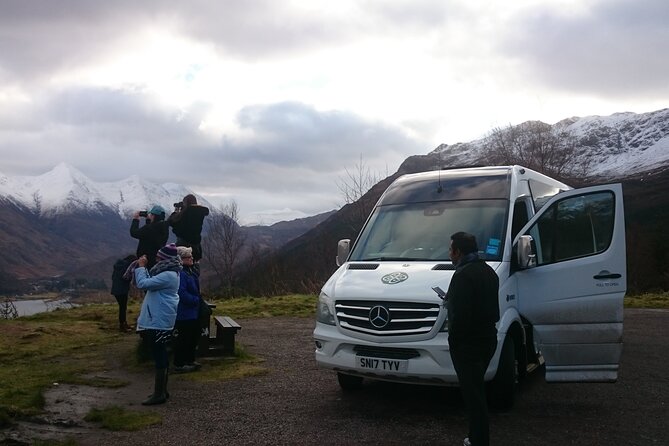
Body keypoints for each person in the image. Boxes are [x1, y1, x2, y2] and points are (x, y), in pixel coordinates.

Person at [446, 232, 500, 446]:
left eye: (451, 250)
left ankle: (479, 440)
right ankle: (476, 437)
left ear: (458, 251)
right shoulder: (489, 272)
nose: (449, 254)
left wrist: (454, 341)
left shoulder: (462, 276)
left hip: (468, 344)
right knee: (477, 391)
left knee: (474, 396)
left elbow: (460, 317)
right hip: (488, 339)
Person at [134, 243, 182, 406]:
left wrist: (141, 267)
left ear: (165, 259)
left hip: (158, 320)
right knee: (160, 352)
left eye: (159, 258)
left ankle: (159, 393)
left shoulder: (168, 274)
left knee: (159, 353)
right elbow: (151, 282)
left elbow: (143, 284)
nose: (156, 260)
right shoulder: (171, 273)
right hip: (160, 318)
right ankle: (162, 390)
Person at [173, 246, 203, 373]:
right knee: (183, 338)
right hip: (184, 312)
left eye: (191, 256)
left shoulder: (190, 271)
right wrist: (196, 300)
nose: (191, 258)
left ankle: (190, 360)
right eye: (188, 257)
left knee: (192, 336)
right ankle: (180, 363)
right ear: (181, 259)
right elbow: (181, 292)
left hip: (192, 311)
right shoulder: (181, 273)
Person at [168, 194, 209, 261]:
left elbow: (172, 222)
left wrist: (176, 211)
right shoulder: (200, 213)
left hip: (183, 246)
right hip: (196, 247)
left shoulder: (186, 212)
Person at [130, 205, 169, 269]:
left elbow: (134, 233)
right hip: (156, 259)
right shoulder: (164, 228)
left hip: (145, 261)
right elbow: (150, 234)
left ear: (153, 216)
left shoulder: (148, 229)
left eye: (151, 215)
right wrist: (148, 220)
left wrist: (135, 219)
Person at [110, 254, 137, 332]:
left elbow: (113, 277)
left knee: (122, 307)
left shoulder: (118, 266)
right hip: (122, 290)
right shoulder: (127, 267)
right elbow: (126, 277)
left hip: (115, 289)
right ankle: (123, 325)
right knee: (123, 308)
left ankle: (124, 324)